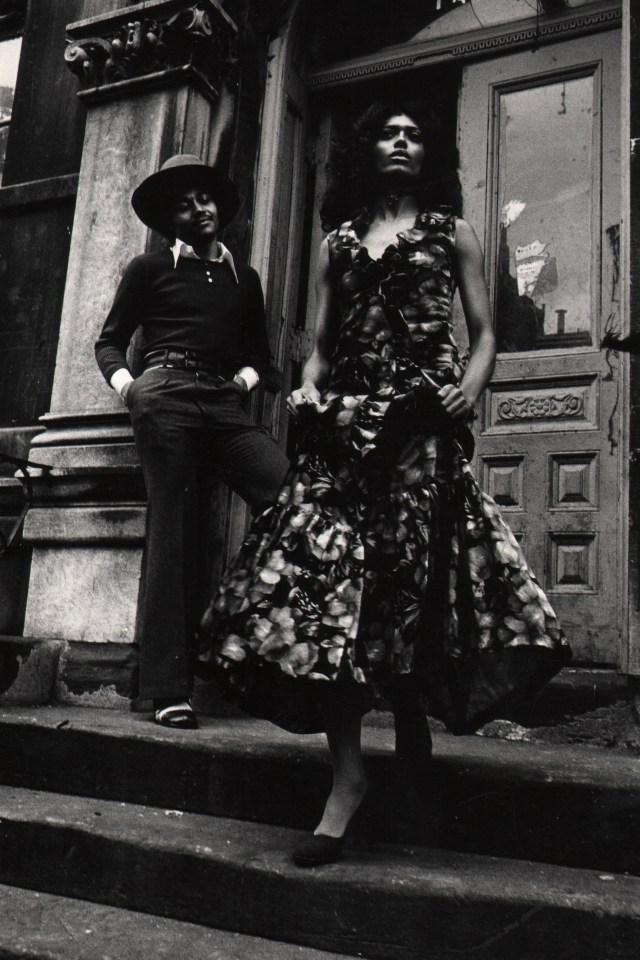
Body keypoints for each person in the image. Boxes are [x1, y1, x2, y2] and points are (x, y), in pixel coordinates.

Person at [198, 101, 571, 865]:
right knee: (323, 593)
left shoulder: (452, 232)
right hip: (343, 435)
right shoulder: (338, 242)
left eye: (414, 134)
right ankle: (348, 778)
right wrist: (305, 386)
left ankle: (409, 718)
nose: (402, 142)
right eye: (389, 134)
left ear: (426, 154)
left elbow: (487, 329)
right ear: (367, 152)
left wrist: (470, 386)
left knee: (408, 588)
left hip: (421, 432)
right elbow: (319, 345)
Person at [95, 155, 289, 730]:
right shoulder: (148, 268)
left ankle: (265, 656)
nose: (198, 208)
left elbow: (260, 357)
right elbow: (109, 343)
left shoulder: (242, 277)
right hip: (166, 397)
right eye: (183, 203)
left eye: (205, 198)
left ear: (220, 206)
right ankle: (165, 690)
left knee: (292, 502)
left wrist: (241, 384)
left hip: (223, 402)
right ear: (168, 218)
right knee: (173, 534)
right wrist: (133, 389)